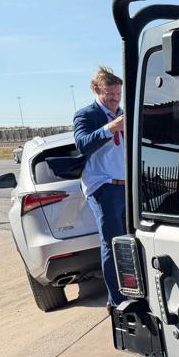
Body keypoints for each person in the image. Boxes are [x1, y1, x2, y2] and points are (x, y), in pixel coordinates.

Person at [74, 66, 127, 310]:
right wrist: (110, 128)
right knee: (112, 242)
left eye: (118, 94)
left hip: (128, 187)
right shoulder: (86, 115)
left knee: (130, 242)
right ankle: (116, 301)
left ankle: (135, 292)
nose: (115, 99)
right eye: (110, 94)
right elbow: (82, 144)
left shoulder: (125, 113)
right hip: (104, 186)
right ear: (96, 90)